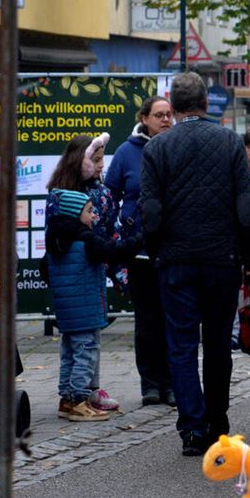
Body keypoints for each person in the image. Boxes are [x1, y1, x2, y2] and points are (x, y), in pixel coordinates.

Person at [140, 72, 250, 456]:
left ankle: (191, 428)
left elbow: (150, 211)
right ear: (206, 103)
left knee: (180, 344)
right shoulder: (228, 142)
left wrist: (157, 248)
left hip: (176, 260)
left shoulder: (157, 149)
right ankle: (217, 420)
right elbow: (247, 207)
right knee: (216, 344)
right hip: (220, 259)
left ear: (173, 107)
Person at [104, 96, 176, 407]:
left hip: (174, 250)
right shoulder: (126, 152)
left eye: (169, 115)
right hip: (140, 252)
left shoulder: (177, 146)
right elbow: (109, 195)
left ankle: (173, 382)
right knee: (146, 321)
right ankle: (150, 383)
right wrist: (121, 230)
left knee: (173, 319)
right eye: (159, 115)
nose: (165, 120)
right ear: (144, 118)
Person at [45, 190, 140, 422]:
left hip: (67, 311)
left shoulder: (55, 240)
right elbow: (113, 252)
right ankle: (79, 399)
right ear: (75, 214)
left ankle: (66, 399)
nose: (94, 214)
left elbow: (44, 271)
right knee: (86, 353)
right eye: (88, 210)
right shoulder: (85, 239)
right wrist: (139, 239)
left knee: (69, 353)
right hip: (86, 309)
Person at [46, 133, 120, 412]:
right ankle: (80, 393)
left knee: (88, 335)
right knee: (84, 339)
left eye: (103, 160)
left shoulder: (100, 190)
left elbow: (110, 224)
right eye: (96, 160)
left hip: (93, 271)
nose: (101, 166)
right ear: (81, 162)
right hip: (81, 273)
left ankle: (84, 389)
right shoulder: (63, 196)